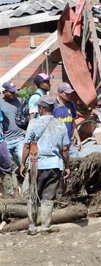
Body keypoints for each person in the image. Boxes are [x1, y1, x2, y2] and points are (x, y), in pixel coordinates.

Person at [19, 95, 70, 235]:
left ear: (41, 109)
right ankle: (45, 227)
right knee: (48, 197)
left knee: (33, 196)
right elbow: (65, 150)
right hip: (54, 165)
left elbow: (27, 146)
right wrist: (66, 166)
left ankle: (32, 227)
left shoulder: (33, 123)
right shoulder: (61, 124)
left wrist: (23, 164)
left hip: (36, 165)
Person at [1, 81, 25, 196]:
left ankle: (27, 190)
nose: (14, 94)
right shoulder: (0, 105)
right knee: (8, 167)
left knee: (23, 161)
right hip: (6, 140)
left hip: (20, 138)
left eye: (15, 92)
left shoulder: (20, 102)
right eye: (11, 92)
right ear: (4, 92)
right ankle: (12, 192)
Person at [53, 83, 82, 158]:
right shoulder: (53, 106)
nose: (70, 95)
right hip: (57, 143)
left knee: (75, 162)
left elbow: (73, 123)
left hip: (70, 142)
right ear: (60, 93)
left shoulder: (70, 105)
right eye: (67, 94)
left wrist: (78, 139)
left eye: (70, 93)